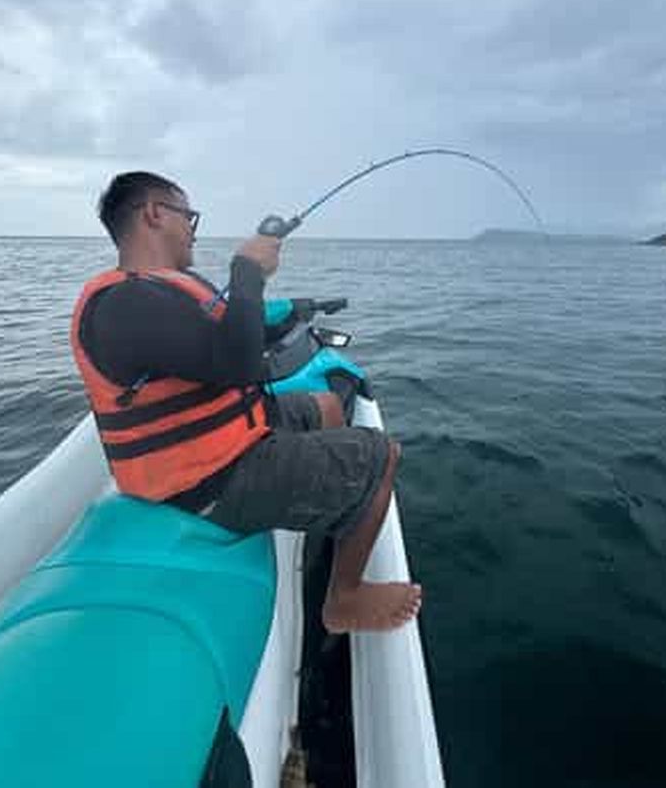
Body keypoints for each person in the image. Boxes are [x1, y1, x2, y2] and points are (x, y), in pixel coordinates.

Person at [71, 171, 421, 633]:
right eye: (187, 215)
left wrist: (289, 310)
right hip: (204, 484)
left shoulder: (155, 292)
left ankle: (331, 501)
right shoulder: (124, 303)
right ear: (155, 213)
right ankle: (343, 598)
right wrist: (247, 271)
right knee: (381, 454)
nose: (193, 228)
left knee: (327, 406)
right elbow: (237, 363)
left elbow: (227, 334)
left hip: (231, 441)